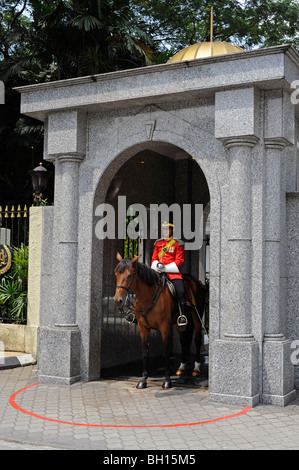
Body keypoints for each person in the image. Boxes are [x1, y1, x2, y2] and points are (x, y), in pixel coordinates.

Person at [151, 221, 187, 327]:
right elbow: (154, 258)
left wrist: (165, 268)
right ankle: (137, 313)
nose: (165, 231)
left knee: (180, 291)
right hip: (158, 272)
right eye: (164, 229)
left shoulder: (177, 244)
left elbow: (179, 260)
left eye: (168, 229)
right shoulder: (158, 243)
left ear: (172, 230)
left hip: (172, 274)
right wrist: (157, 266)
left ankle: (182, 315)